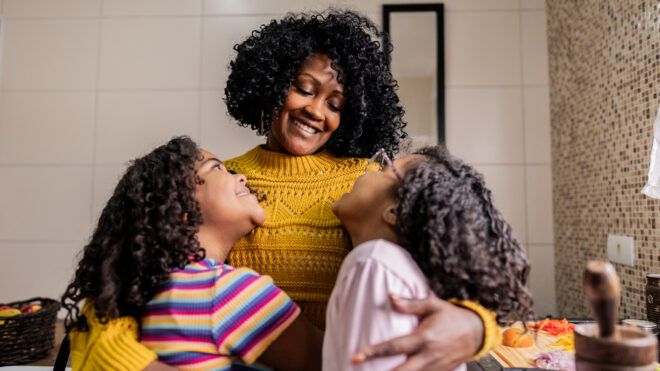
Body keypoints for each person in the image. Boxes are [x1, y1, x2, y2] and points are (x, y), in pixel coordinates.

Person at [74, 10, 499, 370]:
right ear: (272, 84)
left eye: (335, 104)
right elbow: (121, 281)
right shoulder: (223, 189)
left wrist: (474, 326)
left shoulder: (368, 187)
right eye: (304, 89)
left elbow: (459, 258)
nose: (316, 111)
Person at [61, 137, 322, 370]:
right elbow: (335, 361)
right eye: (218, 168)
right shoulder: (224, 290)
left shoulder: (157, 290)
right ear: (180, 207)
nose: (241, 177)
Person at [324, 146, 534, 370]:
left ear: (395, 212)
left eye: (382, 167)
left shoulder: (376, 263)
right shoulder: (399, 269)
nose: (365, 172)